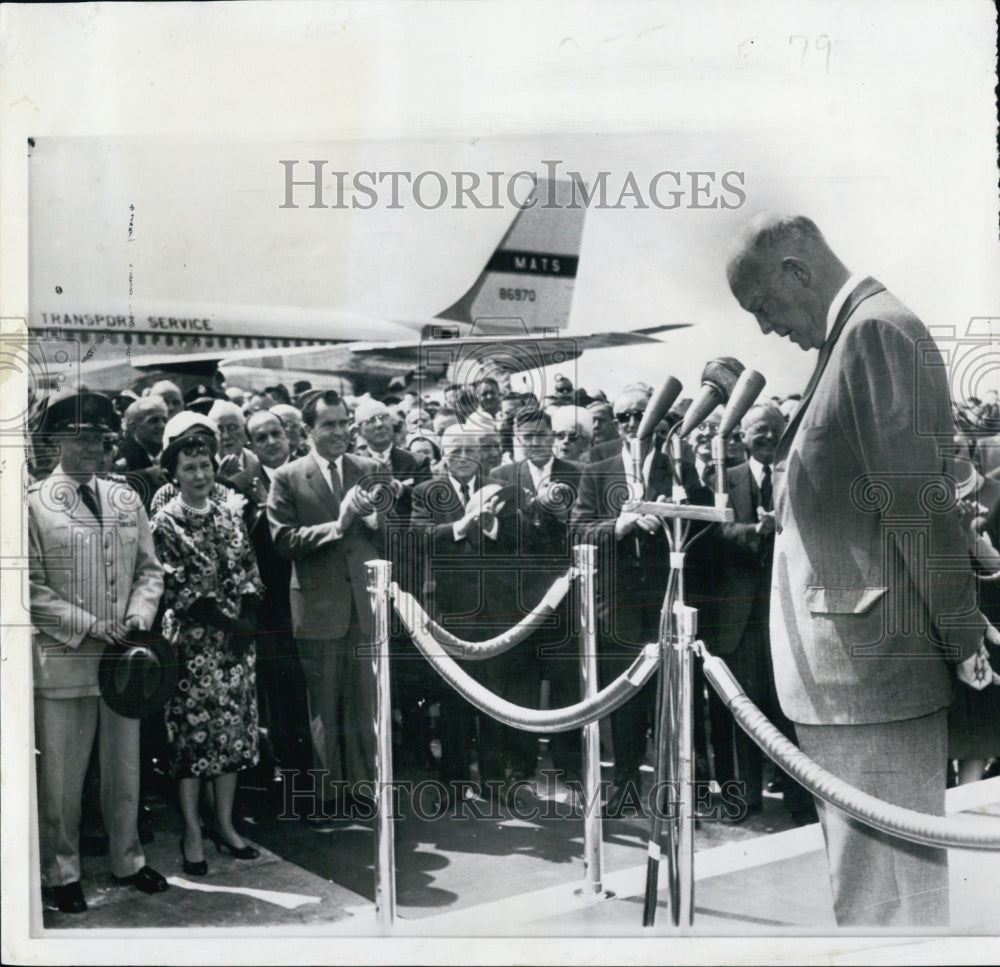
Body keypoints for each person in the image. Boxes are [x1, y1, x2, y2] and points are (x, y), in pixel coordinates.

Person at [726, 212, 1000, 926]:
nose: (764, 328)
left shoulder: (874, 333)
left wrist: (965, 635)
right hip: (856, 679)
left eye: (762, 306)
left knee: (891, 904)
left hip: (875, 675)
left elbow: (917, 504)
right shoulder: (853, 336)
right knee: (871, 893)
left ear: (795, 271)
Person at [29, 391, 167, 913]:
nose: (92, 447)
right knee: (61, 777)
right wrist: (90, 625)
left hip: (124, 663)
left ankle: (127, 858)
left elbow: (149, 571)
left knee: (123, 768)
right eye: (80, 436)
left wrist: (139, 614)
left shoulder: (125, 498)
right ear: (57, 440)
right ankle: (60, 871)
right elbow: (31, 589)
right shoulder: (34, 503)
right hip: (65, 660)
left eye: (99, 438)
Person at [150, 425, 264, 874]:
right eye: (190, 468)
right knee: (192, 743)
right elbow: (175, 586)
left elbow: (250, 570)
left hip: (235, 649)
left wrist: (248, 619)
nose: (200, 475)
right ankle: (193, 831)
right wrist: (228, 624)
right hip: (194, 647)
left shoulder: (228, 515)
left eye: (205, 466)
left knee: (233, 737)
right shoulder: (165, 522)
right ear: (174, 474)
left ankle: (225, 824)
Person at [266, 390, 386, 812]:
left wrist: (376, 519)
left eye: (343, 423)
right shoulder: (288, 476)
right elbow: (283, 541)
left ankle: (362, 788)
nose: (339, 432)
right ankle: (326, 793)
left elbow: (391, 535)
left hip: (363, 605)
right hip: (318, 608)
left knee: (363, 701)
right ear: (308, 431)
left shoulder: (370, 469)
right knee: (324, 704)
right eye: (328, 425)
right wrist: (339, 526)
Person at [700, 403, 816, 825]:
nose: (768, 438)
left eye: (775, 430)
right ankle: (744, 797)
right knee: (742, 709)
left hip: (789, 613)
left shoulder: (800, 475)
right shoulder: (722, 478)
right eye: (759, 431)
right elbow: (713, 533)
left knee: (790, 709)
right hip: (740, 619)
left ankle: (800, 800)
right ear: (742, 436)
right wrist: (756, 532)